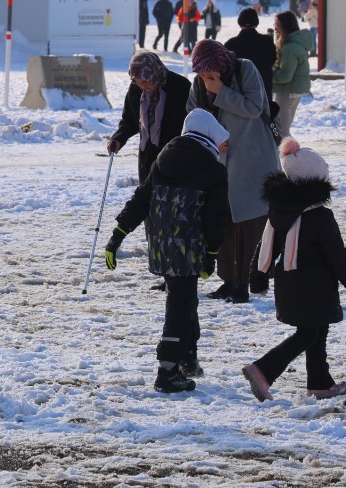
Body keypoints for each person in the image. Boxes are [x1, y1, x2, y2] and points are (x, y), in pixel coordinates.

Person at [104, 109, 231, 392]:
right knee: (180, 304)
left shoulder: (162, 160)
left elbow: (141, 200)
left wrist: (118, 235)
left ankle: (187, 357)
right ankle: (168, 371)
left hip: (161, 245)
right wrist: (212, 253)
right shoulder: (213, 170)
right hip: (190, 248)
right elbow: (216, 216)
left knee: (184, 297)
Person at [242, 139, 346, 401]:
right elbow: (337, 257)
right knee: (309, 333)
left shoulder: (280, 211)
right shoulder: (320, 217)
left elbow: (265, 246)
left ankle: (320, 383)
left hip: (289, 284)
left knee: (317, 331)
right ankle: (263, 369)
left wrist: (258, 277)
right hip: (315, 287)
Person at [187, 42, 279, 303]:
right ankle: (228, 281)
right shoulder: (199, 82)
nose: (205, 80)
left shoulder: (244, 69)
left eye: (209, 74)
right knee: (222, 221)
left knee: (248, 223)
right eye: (202, 75)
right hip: (220, 160)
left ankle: (246, 281)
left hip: (252, 158)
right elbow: (193, 113)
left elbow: (253, 107)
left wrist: (221, 90)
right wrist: (210, 136)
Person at [108, 50, 191, 183]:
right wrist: (118, 138)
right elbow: (129, 119)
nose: (143, 86)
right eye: (138, 82)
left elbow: (189, 123)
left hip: (174, 154)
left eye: (146, 82)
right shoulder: (136, 88)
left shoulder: (180, 86)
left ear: (154, 73)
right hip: (147, 154)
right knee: (146, 197)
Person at [271, 10, 313, 140]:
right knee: (284, 131)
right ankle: (289, 157)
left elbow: (285, 76)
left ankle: (290, 159)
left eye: (277, 25)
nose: (275, 28)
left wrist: (266, 74)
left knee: (281, 133)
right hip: (294, 92)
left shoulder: (289, 48)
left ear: (285, 26)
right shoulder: (296, 43)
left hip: (286, 92)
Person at [226, 7, 276, 96]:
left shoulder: (231, 44)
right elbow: (272, 60)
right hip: (263, 88)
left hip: (240, 91)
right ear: (256, 22)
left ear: (240, 23)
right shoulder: (267, 41)